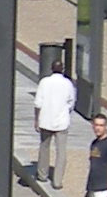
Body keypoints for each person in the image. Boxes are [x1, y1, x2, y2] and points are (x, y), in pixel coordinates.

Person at [31, 58, 77, 188]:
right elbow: (71, 102)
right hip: (62, 121)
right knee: (61, 151)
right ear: (62, 69)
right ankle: (57, 181)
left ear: (51, 69)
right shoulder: (68, 83)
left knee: (44, 148)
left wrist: (36, 119)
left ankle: (42, 175)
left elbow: (38, 103)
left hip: (46, 119)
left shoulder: (44, 82)